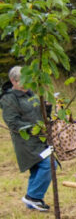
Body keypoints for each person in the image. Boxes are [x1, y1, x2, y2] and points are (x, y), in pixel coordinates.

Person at [2, 66, 52, 211]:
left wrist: (46, 108)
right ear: (13, 81)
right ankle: (33, 196)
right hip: (26, 142)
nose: (27, 82)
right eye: (23, 79)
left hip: (40, 138)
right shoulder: (9, 98)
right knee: (50, 164)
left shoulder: (31, 94)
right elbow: (13, 123)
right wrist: (35, 128)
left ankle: (33, 202)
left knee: (38, 169)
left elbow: (40, 114)